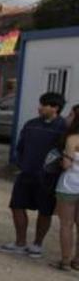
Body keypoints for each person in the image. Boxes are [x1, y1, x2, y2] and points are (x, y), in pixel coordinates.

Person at [0, 92, 67, 259]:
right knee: (17, 206)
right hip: (26, 173)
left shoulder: (63, 128)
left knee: (45, 211)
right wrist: (20, 162)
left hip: (48, 178)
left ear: (55, 108)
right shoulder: (30, 125)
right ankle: (20, 243)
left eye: (44, 105)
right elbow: (20, 146)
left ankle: (37, 244)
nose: (40, 108)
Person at [52, 104, 79, 271]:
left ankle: (65, 261)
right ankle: (78, 260)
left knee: (66, 224)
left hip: (69, 185)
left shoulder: (72, 139)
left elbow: (67, 164)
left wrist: (61, 160)